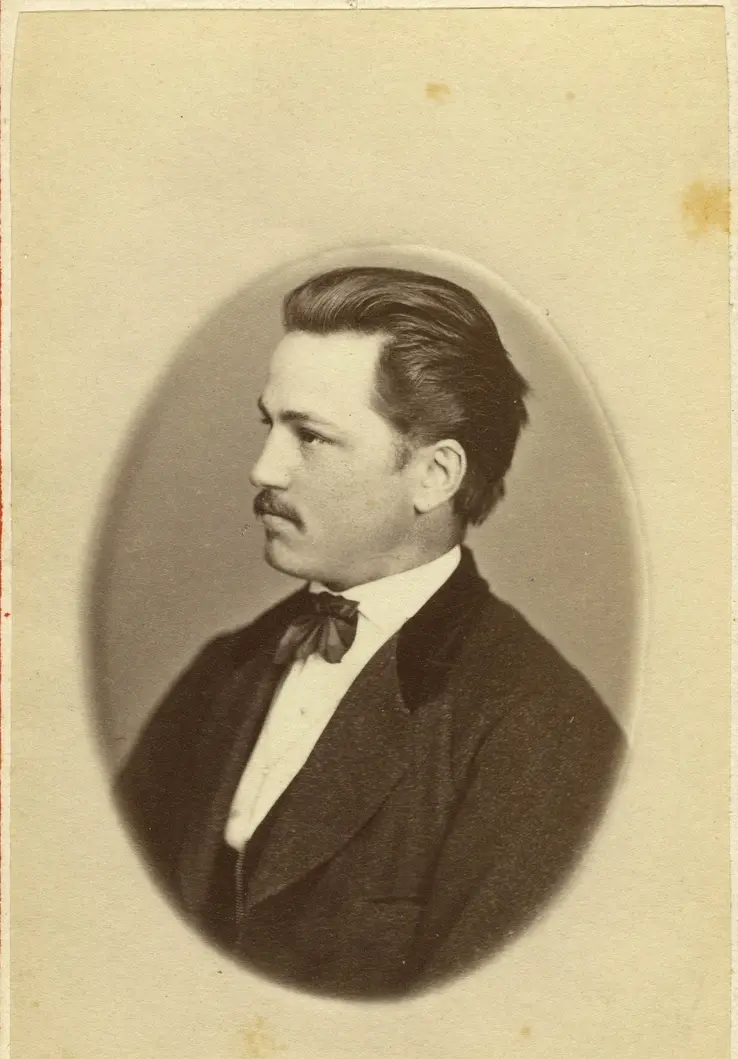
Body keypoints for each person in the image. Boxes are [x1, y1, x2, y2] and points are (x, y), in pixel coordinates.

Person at [117, 266, 625, 1000]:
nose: (264, 470)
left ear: (435, 475)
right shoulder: (224, 670)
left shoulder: (543, 736)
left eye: (311, 437)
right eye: (269, 425)